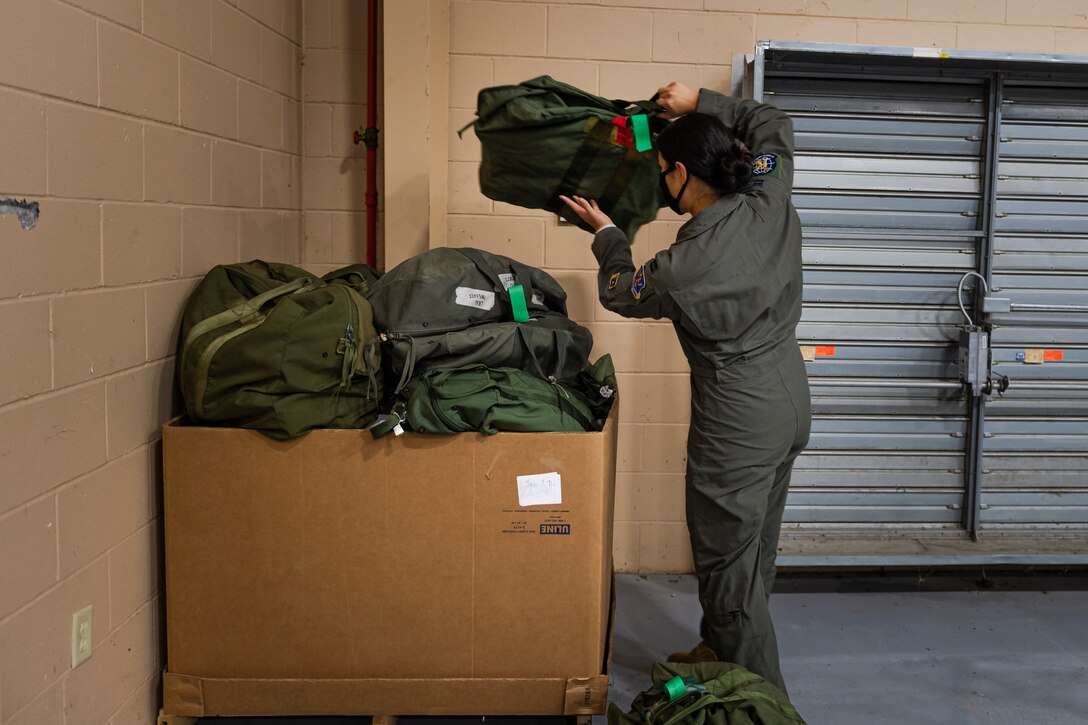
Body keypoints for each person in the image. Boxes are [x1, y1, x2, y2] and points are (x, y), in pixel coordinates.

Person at [560, 82, 811, 694]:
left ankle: (757, 696)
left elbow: (621, 288)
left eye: (662, 174)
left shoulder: (685, 265)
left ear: (678, 174)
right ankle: (722, 646)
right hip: (789, 398)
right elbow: (772, 120)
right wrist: (698, 103)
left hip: (739, 418)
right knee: (753, 549)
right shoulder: (768, 193)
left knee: (726, 560)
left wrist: (608, 233)